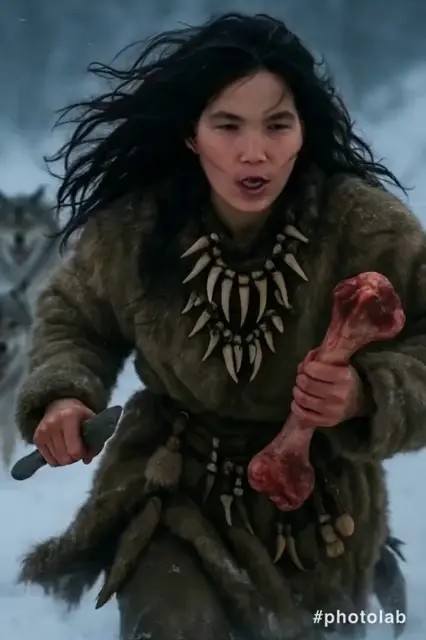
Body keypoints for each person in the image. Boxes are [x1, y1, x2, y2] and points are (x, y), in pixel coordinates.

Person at [14, 11, 420, 640]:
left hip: (319, 508)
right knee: (171, 626)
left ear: (303, 131)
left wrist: (367, 393)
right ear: (191, 134)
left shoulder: (365, 228)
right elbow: (76, 319)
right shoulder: (137, 229)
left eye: (277, 125)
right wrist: (63, 397)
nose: (254, 152)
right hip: (175, 487)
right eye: (227, 125)